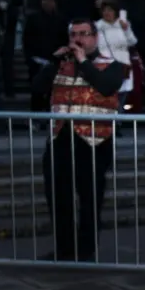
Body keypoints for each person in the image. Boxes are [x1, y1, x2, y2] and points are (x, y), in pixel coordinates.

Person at [30, 19, 123, 262]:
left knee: (90, 197)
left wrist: (83, 61)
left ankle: (86, 249)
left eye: (84, 34)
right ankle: (63, 248)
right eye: (74, 34)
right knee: (58, 195)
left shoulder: (111, 65)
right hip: (60, 137)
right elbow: (37, 87)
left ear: (95, 37)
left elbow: (105, 87)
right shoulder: (60, 65)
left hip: (94, 141)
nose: (78, 39)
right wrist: (53, 62)